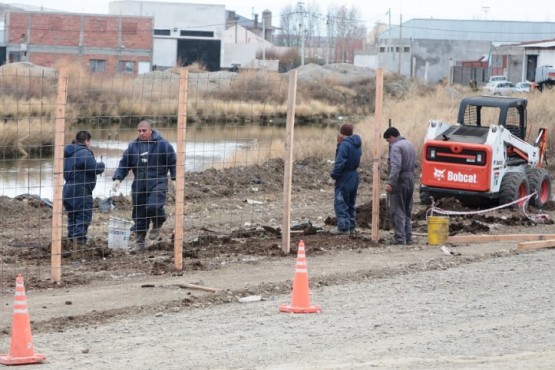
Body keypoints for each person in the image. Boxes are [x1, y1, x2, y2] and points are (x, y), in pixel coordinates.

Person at [112, 120, 176, 252]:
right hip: (139, 184)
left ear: (150, 131)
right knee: (139, 214)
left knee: (153, 206)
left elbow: (173, 161)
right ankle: (140, 243)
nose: (141, 133)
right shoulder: (133, 146)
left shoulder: (163, 145)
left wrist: (175, 178)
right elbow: (124, 163)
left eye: (144, 131)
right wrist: (118, 178)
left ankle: (159, 221)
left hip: (158, 181)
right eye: (139, 131)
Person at [63, 131, 106, 246]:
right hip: (81, 191)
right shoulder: (84, 153)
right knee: (83, 216)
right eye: (89, 141)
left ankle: (71, 242)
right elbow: (94, 168)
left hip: (67, 189)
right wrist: (102, 165)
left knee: (73, 217)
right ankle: (79, 243)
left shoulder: (68, 154)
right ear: (86, 140)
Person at [383, 127, 416, 245]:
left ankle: (400, 239)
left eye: (388, 141)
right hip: (411, 179)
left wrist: (391, 183)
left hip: (400, 180)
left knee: (398, 209)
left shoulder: (396, 147)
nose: (389, 143)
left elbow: (396, 166)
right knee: (407, 209)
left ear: (392, 137)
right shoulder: (409, 144)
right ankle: (408, 237)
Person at [330, 123, 362, 235]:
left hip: (345, 176)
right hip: (354, 175)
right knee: (351, 202)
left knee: (341, 201)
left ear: (342, 133)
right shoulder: (356, 144)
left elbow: (340, 162)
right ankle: (351, 226)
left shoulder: (345, 145)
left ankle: (343, 228)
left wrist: (334, 176)